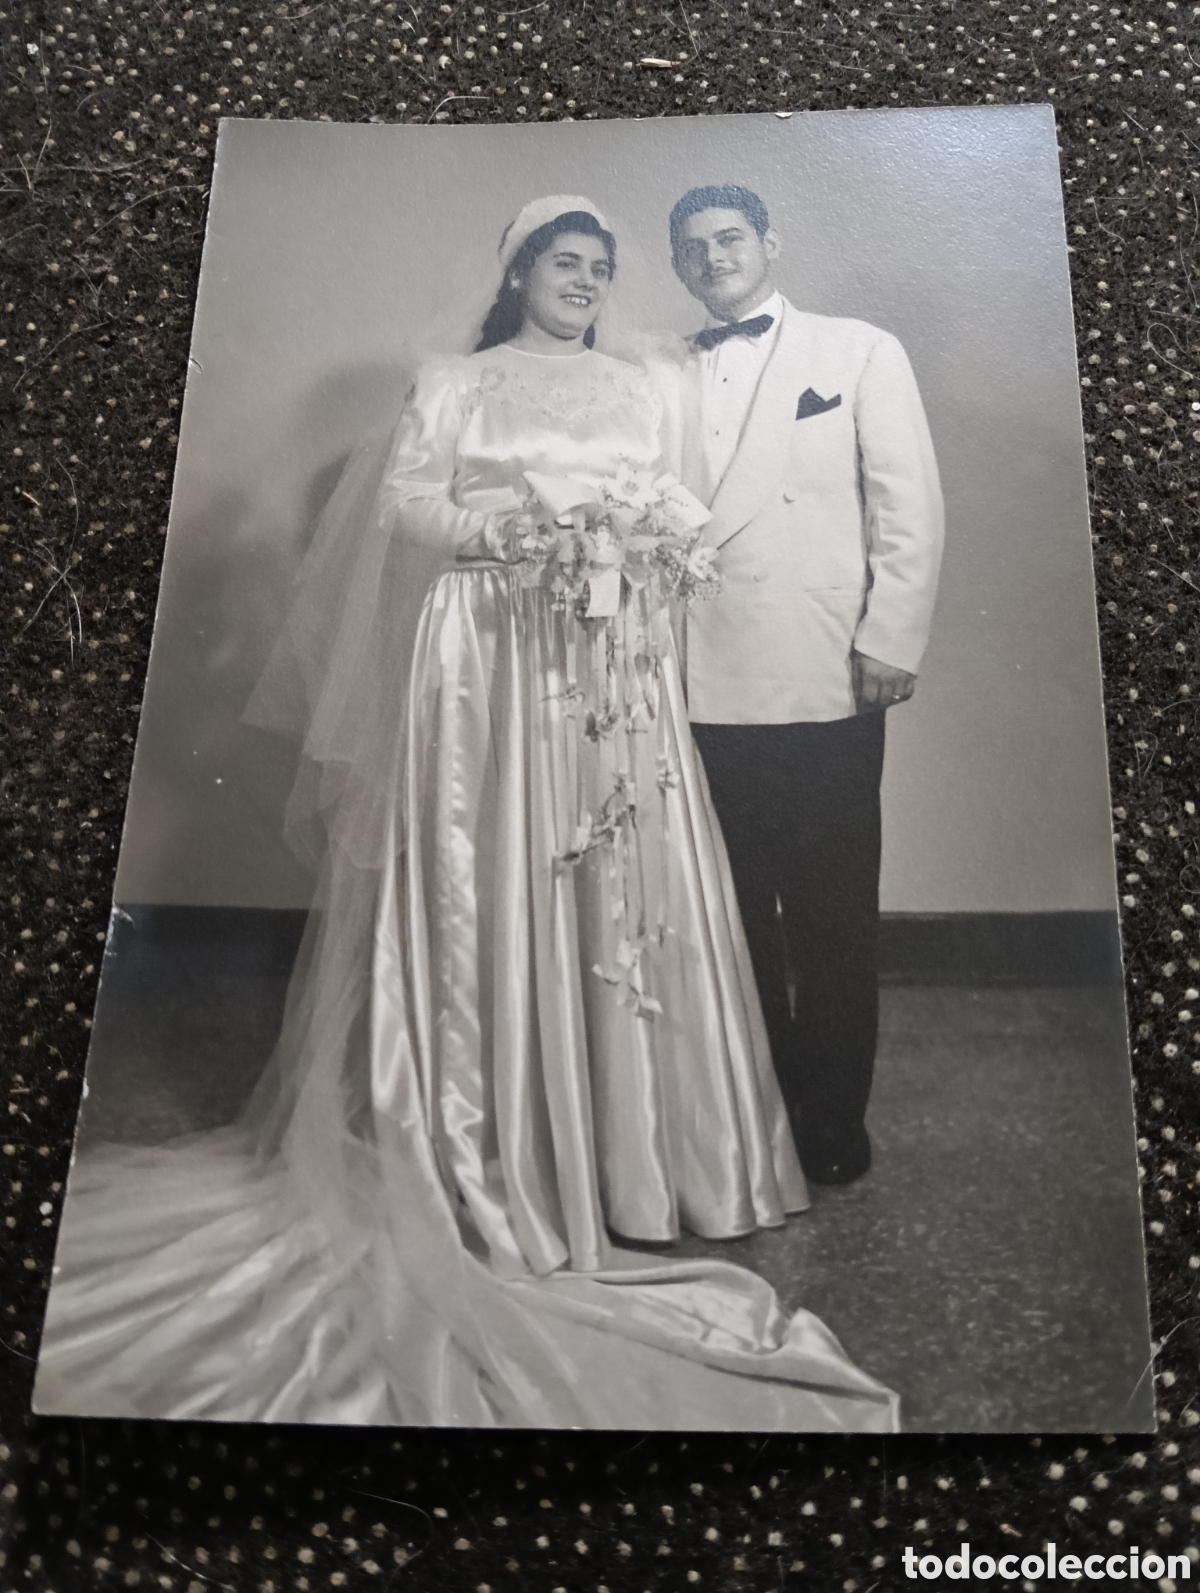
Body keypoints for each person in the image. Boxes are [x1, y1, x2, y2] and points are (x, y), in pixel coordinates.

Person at [34, 197, 898, 1431]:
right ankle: (494, 1148)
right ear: (522, 273)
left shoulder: (642, 381)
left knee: (622, 884)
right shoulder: (454, 379)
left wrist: (635, 539)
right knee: (491, 878)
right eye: (566, 262)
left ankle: (641, 1159)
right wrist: (517, 533)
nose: (587, 281)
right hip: (485, 651)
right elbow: (407, 507)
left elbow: (672, 501)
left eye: (601, 267)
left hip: (609, 662)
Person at [668, 185, 944, 1187]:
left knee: (829, 919)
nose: (712, 258)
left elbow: (907, 507)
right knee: (726, 915)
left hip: (824, 673)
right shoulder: (659, 370)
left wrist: (891, 638)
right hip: (695, 683)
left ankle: (832, 1126)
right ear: (677, 267)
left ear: (769, 244)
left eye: (729, 238)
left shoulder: (856, 349)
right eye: (691, 248)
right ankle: (757, 1115)